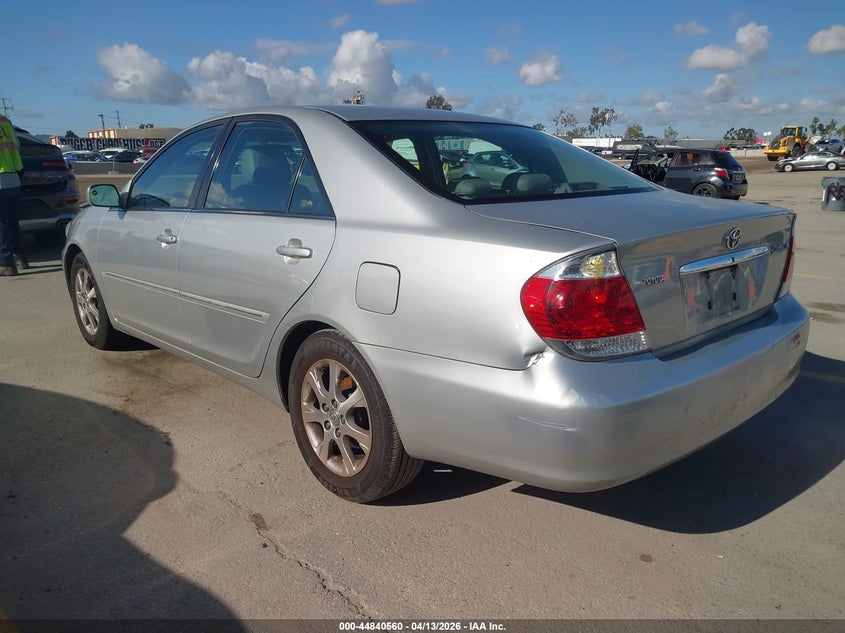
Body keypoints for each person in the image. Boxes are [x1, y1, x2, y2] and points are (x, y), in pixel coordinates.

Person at [0, 114, 27, 277]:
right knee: (12, 220)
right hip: (13, 178)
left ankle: (5, 263)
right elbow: (16, 145)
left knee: (1, 221)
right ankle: (21, 259)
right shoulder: (5, 121)